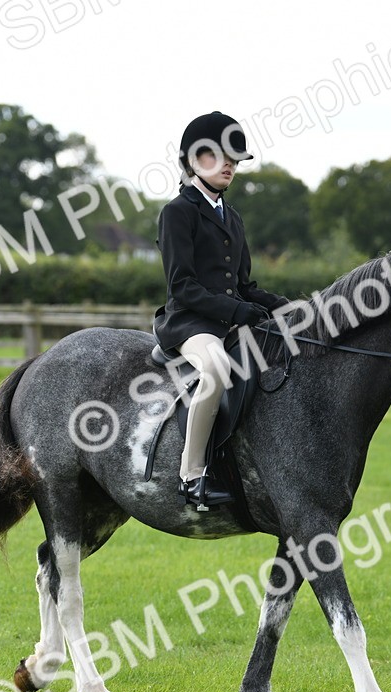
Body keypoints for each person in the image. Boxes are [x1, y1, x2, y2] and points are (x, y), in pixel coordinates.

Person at [153, 111, 290, 510]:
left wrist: (286, 307)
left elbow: (245, 286)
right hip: (190, 324)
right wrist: (239, 311)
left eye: (235, 158)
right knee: (216, 370)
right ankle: (192, 476)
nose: (230, 164)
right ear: (194, 160)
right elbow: (183, 286)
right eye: (219, 156)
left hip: (226, 322)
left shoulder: (232, 216)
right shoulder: (177, 212)